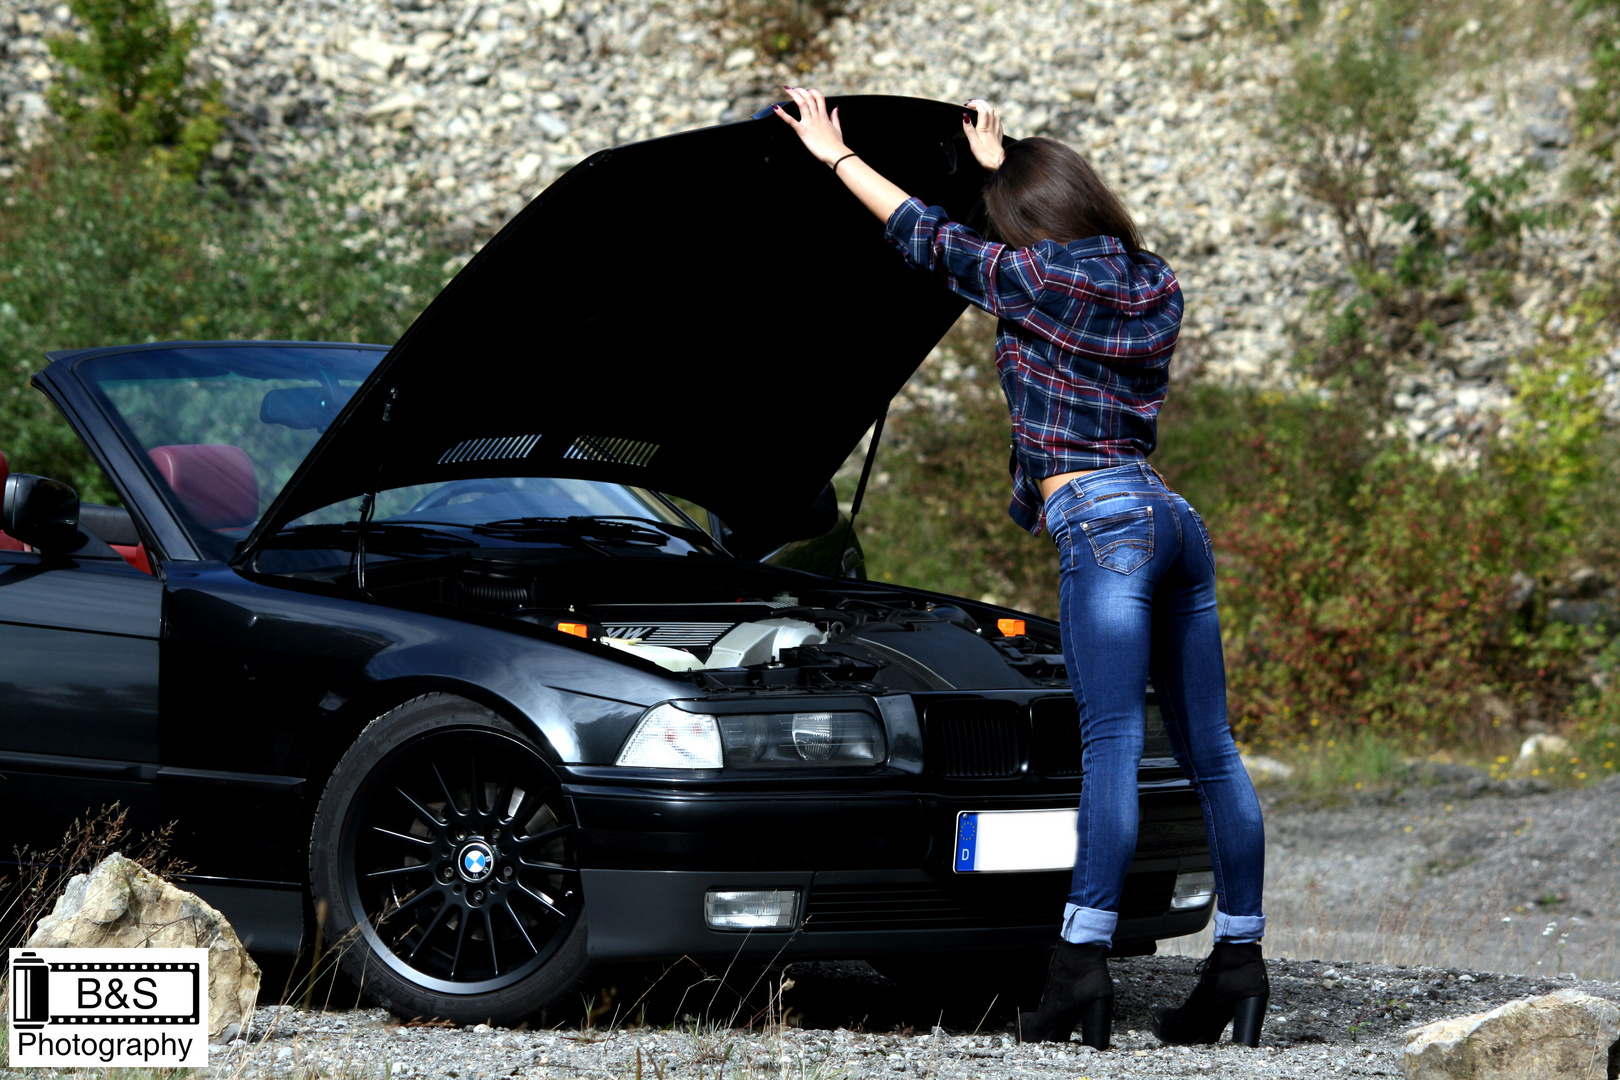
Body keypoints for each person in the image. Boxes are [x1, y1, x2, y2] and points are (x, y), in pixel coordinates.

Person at [774, 88, 1271, 1051]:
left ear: (1031, 227)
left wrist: (835, 156)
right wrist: (1005, 172)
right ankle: (1239, 965)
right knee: (1212, 752)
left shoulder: (1034, 279)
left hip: (1101, 524)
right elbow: (1032, 247)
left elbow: (924, 236)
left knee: (1115, 748)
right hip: (1173, 520)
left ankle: (1078, 971)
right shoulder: (1154, 281)